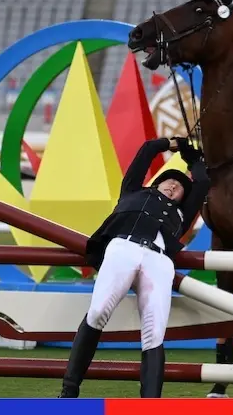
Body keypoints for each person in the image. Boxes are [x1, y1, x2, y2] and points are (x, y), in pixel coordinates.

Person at [59, 136, 209, 398]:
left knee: (154, 333)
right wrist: (172, 143)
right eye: (169, 180)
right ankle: (69, 392)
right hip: (123, 248)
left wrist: (190, 153)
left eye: (180, 186)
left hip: (159, 260)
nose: (174, 186)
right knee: (97, 313)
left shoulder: (182, 215)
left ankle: (150, 406)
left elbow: (204, 181)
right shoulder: (132, 191)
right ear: (156, 183)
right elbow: (147, 150)